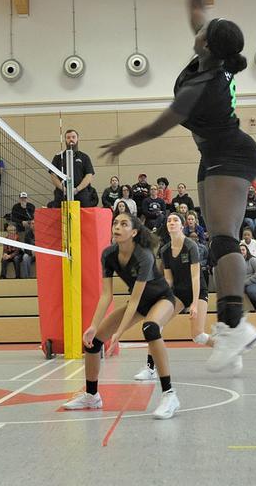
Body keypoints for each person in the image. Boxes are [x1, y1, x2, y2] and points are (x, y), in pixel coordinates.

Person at [99, 0, 256, 372]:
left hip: (233, 155)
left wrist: (123, 144)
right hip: (213, 157)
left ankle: (233, 325)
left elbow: (161, 125)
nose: (199, 27)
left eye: (204, 30)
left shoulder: (204, 82)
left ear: (206, 43)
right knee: (217, 238)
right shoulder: (214, 55)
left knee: (225, 238)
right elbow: (196, 10)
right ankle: (232, 329)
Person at [62, 214, 182, 419]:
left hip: (162, 298)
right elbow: (107, 295)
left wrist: (118, 334)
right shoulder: (108, 254)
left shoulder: (144, 255)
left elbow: (134, 301)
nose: (117, 227)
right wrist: (93, 326)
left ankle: (170, 395)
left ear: (134, 232)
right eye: (115, 223)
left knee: (151, 328)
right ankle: (92, 396)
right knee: (93, 342)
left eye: (123, 224)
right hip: (139, 302)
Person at [135, 213, 219, 381]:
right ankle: (151, 368)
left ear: (182, 226)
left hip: (197, 291)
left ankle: (225, 349)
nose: (171, 222)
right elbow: (168, 279)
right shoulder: (165, 250)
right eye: (169, 220)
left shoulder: (190, 246)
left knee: (198, 336)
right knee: (155, 325)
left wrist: (194, 304)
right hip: (178, 293)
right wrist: (159, 298)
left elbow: (195, 276)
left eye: (175, 220)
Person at [49, 129, 97, 207]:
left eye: (73, 137)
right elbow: (53, 175)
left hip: (80, 193)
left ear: (77, 139)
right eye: (68, 137)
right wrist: (63, 189)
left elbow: (89, 175)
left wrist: (77, 189)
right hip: (62, 193)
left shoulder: (84, 157)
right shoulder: (58, 157)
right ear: (65, 140)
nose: (71, 139)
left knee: (83, 215)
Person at [242, 244, 256, 310]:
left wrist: (245, 283)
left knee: (251, 291)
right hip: (241, 285)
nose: (241, 251)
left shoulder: (252, 260)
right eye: (239, 250)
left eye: (243, 250)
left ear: (247, 251)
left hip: (254, 283)